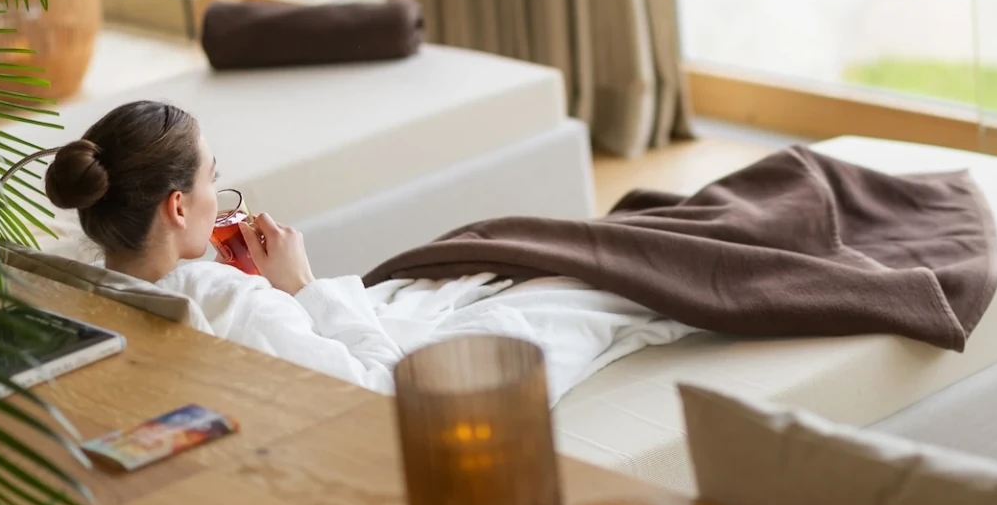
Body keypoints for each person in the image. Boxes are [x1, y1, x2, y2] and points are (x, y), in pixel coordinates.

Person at [39, 100, 691, 398]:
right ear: (179, 207)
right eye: (213, 177)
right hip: (417, 371)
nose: (219, 193)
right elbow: (388, 393)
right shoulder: (239, 305)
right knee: (587, 280)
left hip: (334, 325)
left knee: (512, 255)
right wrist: (300, 286)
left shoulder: (82, 290)